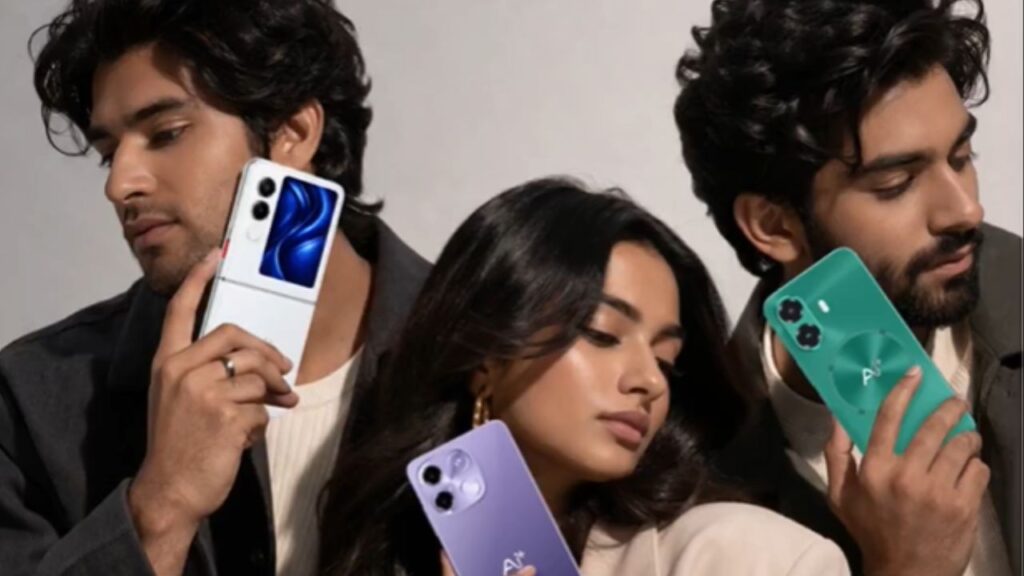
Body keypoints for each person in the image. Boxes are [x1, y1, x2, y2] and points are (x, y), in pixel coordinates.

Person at [0, 1, 429, 574]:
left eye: (166, 134)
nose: (121, 185)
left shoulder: (494, 354)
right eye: (108, 156)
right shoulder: (34, 400)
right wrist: (161, 507)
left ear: (294, 133)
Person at [318, 177, 851, 575]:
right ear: (485, 357)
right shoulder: (372, 539)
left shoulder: (752, 559)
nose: (650, 382)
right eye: (602, 334)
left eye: (666, 361)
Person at [673, 1, 1020, 575]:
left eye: (961, 157)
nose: (965, 209)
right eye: (897, 183)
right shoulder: (697, 475)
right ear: (774, 225)